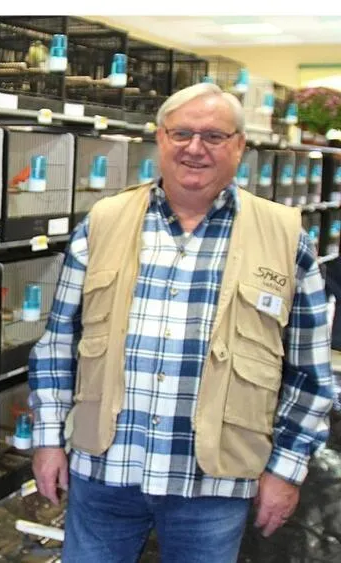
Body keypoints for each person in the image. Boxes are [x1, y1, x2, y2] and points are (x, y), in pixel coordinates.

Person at [27, 82, 335, 563]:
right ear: (160, 138)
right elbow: (57, 344)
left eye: (214, 136)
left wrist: (286, 470)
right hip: (105, 470)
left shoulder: (283, 236)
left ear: (239, 146)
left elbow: (310, 374)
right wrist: (48, 440)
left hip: (215, 483)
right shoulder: (104, 222)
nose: (195, 148)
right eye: (182, 133)